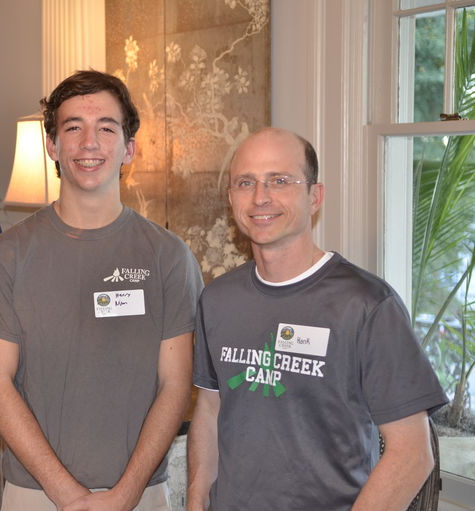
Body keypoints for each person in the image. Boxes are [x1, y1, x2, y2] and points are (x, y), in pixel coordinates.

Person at [0, 70, 203, 511]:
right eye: (73, 128)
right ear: (52, 146)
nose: (89, 143)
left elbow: (176, 385)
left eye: (106, 128)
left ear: (129, 148)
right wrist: (68, 495)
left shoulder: (168, 255)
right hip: (35, 494)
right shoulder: (8, 254)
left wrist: (126, 493)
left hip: (142, 494)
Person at [186, 127, 448, 511]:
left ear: (315, 196)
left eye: (280, 180)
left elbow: (412, 454)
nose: (260, 197)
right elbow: (210, 410)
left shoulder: (368, 305)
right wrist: (196, 499)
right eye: (245, 182)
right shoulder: (217, 300)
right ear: (231, 198)